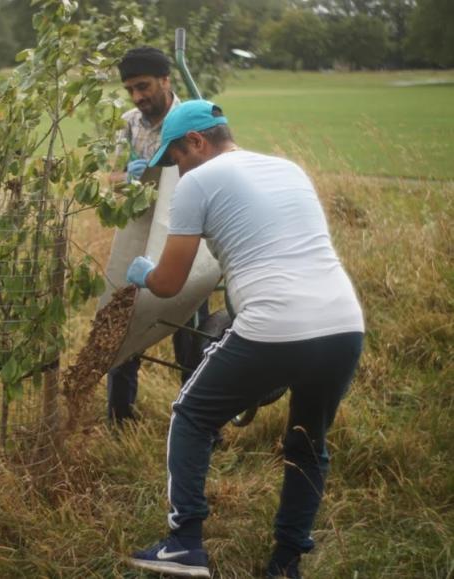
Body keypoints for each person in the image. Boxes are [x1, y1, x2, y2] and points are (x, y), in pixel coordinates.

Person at [124, 100, 364, 578]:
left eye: (173, 158)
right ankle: (286, 562)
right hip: (343, 324)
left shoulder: (197, 181)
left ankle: (184, 543)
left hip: (274, 326)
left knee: (191, 415)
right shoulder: (288, 168)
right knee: (305, 442)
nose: (175, 170)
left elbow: (171, 283)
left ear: (196, 142)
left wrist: (145, 274)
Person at [107, 46, 209, 424]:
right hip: (139, 234)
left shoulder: (192, 117)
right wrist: (127, 177)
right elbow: (111, 177)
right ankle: (120, 421)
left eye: (144, 86)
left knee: (190, 333)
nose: (138, 96)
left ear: (166, 80)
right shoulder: (128, 122)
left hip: (185, 236)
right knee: (122, 327)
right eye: (130, 89)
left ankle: (198, 421)